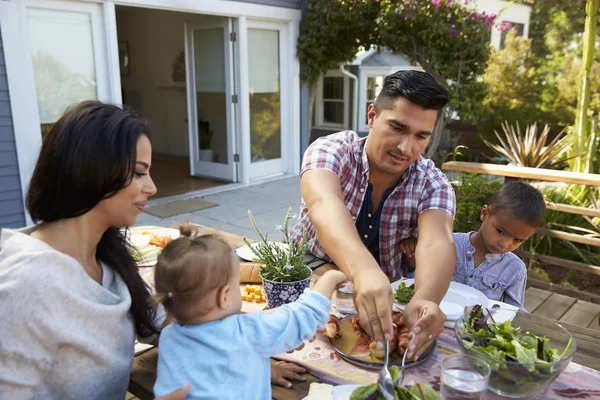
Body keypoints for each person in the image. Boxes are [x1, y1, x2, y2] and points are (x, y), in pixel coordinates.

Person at [0, 101, 191, 399]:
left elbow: (160, 322)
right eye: (139, 173)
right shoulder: (27, 285)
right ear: (91, 170)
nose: (152, 187)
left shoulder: (106, 257)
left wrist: (236, 356)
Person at [291, 70, 456, 360]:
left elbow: (437, 242)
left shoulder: (433, 183)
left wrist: (426, 298)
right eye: (397, 128)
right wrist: (365, 271)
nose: (406, 148)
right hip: (307, 278)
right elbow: (323, 203)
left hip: (382, 303)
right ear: (372, 116)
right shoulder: (332, 150)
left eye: (421, 136)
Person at [152, 227, 347, 399]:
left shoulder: (168, 337)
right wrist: (330, 279)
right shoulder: (248, 331)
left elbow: (216, 372)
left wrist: (261, 370)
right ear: (225, 296)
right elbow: (304, 315)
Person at [401, 181, 545, 309]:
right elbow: (415, 286)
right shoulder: (447, 244)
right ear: (485, 213)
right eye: (500, 231)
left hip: (476, 334)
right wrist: (412, 261)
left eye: (517, 240)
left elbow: (513, 312)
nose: (505, 243)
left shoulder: (515, 269)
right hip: (431, 320)